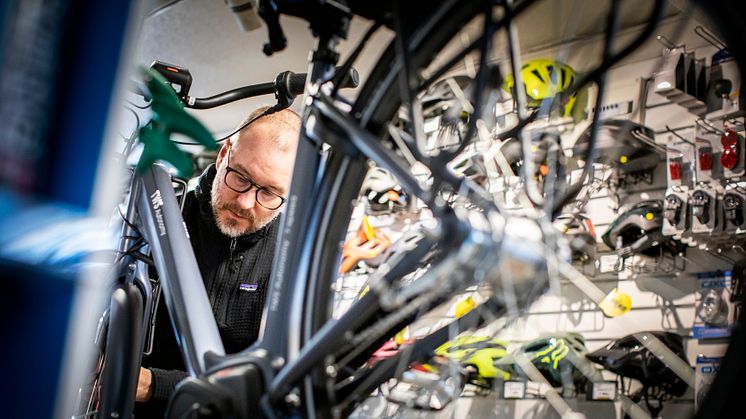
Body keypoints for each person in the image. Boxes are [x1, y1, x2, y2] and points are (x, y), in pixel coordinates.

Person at [133, 106, 301, 416]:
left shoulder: (293, 258)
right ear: (224, 154)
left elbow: (276, 379)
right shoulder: (159, 215)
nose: (245, 202)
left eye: (269, 193)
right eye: (241, 177)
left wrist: (153, 384)